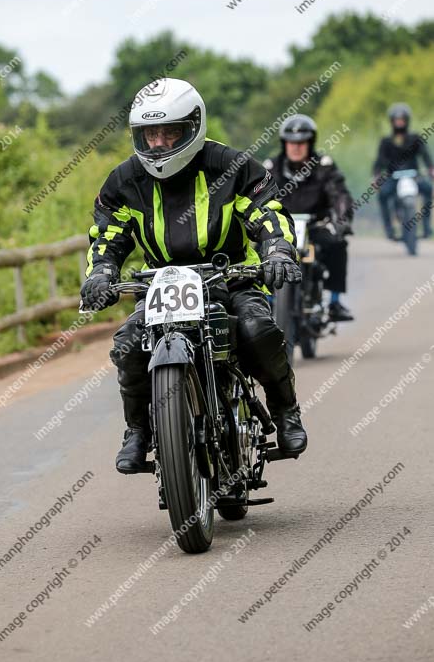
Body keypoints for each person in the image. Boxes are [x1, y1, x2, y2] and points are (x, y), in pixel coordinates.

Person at [80, 78, 307, 474]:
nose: (160, 144)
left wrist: (278, 250)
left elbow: (267, 213)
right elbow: (108, 235)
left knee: (257, 329)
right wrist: (101, 272)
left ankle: (285, 409)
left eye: (170, 132)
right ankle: (138, 430)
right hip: (159, 287)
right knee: (129, 345)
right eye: (151, 134)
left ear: (194, 126)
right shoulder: (123, 181)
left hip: (231, 278)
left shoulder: (232, 167)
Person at [263, 115, 354, 322]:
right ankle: (265, 301)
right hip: (280, 229)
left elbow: (339, 195)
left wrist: (342, 221)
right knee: (259, 253)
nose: (296, 147)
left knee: (337, 244)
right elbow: (257, 197)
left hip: (316, 227)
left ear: (310, 143)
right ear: (284, 143)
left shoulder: (324, 166)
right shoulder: (271, 168)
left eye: (301, 142)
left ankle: (334, 302)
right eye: (291, 142)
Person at [374, 103, 434, 240]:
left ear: (407, 120)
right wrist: (377, 175)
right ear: (392, 121)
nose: (399, 122)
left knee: (428, 190)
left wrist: (431, 169)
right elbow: (379, 161)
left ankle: (426, 227)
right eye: (397, 120)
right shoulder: (386, 141)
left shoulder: (415, 138)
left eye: (402, 119)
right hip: (393, 177)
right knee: (382, 195)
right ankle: (389, 229)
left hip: (414, 176)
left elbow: (425, 156)